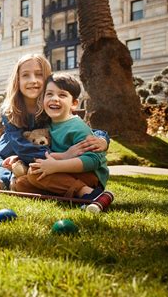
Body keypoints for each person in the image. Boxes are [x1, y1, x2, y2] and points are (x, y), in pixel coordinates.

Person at [0, 54, 109, 190]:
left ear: (48, 79)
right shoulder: (10, 112)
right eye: (25, 75)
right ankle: (8, 176)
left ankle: (21, 176)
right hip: (6, 152)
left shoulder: (52, 107)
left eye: (39, 75)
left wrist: (102, 139)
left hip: (37, 157)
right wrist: (64, 156)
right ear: (17, 80)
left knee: (30, 177)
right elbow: (23, 147)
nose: (33, 80)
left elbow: (77, 127)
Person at [13, 73, 112, 211]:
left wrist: (56, 166)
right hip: (64, 174)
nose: (54, 99)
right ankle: (69, 194)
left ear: (74, 104)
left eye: (62, 95)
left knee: (35, 172)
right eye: (49, 94)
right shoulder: (48, 126)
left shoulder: (77, 127)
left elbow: (93, 160)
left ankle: (89, 194)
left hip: (90, 177)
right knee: (21, 184)